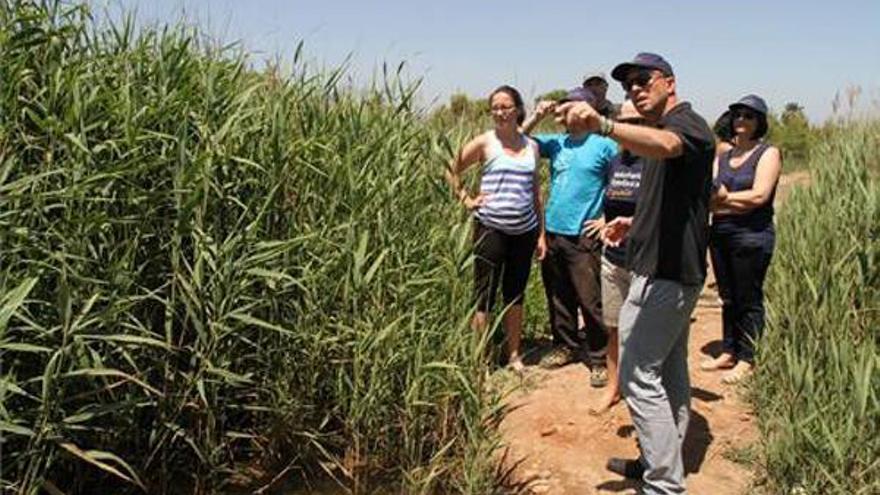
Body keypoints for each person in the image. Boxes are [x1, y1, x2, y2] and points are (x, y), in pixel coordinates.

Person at [556, 52, 715, 494]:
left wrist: (603, 125)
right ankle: (659, 461)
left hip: (666, 274)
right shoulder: (667, 129)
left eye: (644, 80)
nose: (636, 89)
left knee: (636, 375)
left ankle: (663, 483)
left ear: (669, 81)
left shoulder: (686, 125)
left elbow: (667, 149)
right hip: (660, 266)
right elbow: (684, 193)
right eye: (628, 87)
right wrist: (633, 221)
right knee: (669, 373)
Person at [445, 85, 546, 373]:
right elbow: (450, 168)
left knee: (516, 294)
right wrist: (466, 199)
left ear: (518, 109)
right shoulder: (485, 142)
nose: (500, 112)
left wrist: (540, 233)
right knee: (484, 296)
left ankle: (514, 354)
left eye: (506, 106)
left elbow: (535, 190)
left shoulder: (532, 146)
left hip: (524, 231)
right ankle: (482, 361)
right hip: (491, 229)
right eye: (495, 108)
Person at [520, 87, 617, 387]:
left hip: (584, 236)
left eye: (568, 105)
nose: (561, 110)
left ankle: (600, 358)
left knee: (590, 298)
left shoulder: (605, 146)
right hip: (552, 232)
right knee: (558, 294)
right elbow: (518, 140)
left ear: (586, 110)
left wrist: (605, 220)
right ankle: (565, 344)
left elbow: (622, 185)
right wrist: (537, 115)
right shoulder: (556, 143)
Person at [701, 95, 782, 384]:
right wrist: (727, 202)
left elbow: (760, 196)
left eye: (748, 116)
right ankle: (729, 349)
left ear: (759, 121)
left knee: (749, 297)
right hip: (721, 233)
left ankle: (748, 357)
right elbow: (709, 198)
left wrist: (725, 199)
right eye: (737, 115)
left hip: (752, 235)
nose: (741, 121)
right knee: (728, 296)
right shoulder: (724, 156)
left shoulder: (768, 153)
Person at [588, 99, 645, 414]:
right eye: (625, 123)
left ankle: (641, 391)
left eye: (637, 123)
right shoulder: (614, 161)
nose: (630, 130)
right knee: (613, 327)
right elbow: (606, 199)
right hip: (613, 259)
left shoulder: (655, 161)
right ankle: (613, 387)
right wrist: (601, 218)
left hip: (645, 261)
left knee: (641, 331)